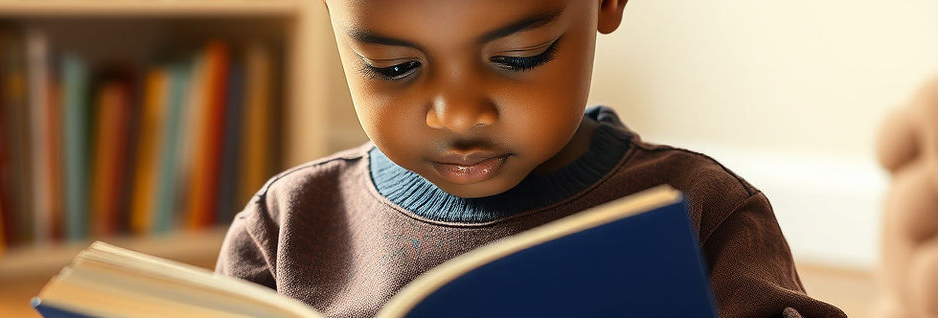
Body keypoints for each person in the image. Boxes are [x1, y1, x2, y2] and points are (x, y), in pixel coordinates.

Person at [216, 1, 846, 317]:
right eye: (394, 68)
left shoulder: (702, 213)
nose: (458, 117)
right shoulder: (285, 228)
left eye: (518, 57)